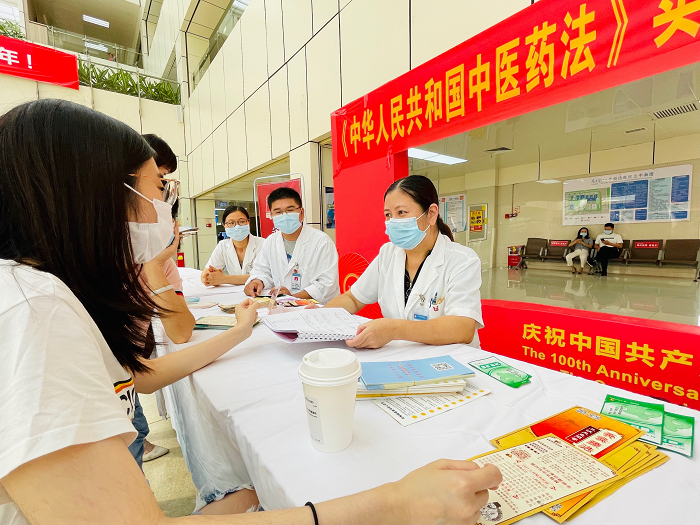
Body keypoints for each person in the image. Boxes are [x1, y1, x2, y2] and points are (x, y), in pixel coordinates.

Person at [0, 100, 502, 525]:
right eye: (158, 188)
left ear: (431, 213)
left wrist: (252, 326)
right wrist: (392, 504)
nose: (162, 209)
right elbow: (349, 299)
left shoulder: (42, 297)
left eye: (401, 214)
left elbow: (142, 376)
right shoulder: (32, 310)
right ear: (90, 196)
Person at [322, 175, 483, 349]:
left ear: (431, 213)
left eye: (401, 213)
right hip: (401, 356)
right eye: (388, 215)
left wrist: (394, 330)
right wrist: (320, 316)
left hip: (451, 359)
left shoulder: (462, 260)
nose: (393, 221)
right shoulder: (388, 253)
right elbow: (353, 299)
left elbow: (462, 328)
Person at [129, 134, 195, 464]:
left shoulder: (161, 260)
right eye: (160, 183)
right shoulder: (89, 255)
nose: (164, 197)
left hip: (121, 382)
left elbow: (181, 332)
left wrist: (155, 265)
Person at [244, 187, 339, 303]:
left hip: (317, 307)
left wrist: (292, 297)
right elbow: (262, 270)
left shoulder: (321, 241)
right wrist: (256, 282)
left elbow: (326, 284)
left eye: (290, 210)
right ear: (271, 215)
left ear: (301, 213)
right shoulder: (270, 241)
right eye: (278, 212)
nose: (284, 215)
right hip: (283, 306)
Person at [202, 205, 264, 286]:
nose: (237, 226)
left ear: (248, 222)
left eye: (242, 222)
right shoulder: (223, 245)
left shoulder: (262, 244)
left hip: (261, 291)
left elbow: (262, 275)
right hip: (234, 292)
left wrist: (223, 279)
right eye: (231, 223)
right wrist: (209, 279)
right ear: (224, 226)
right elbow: (205, 274)